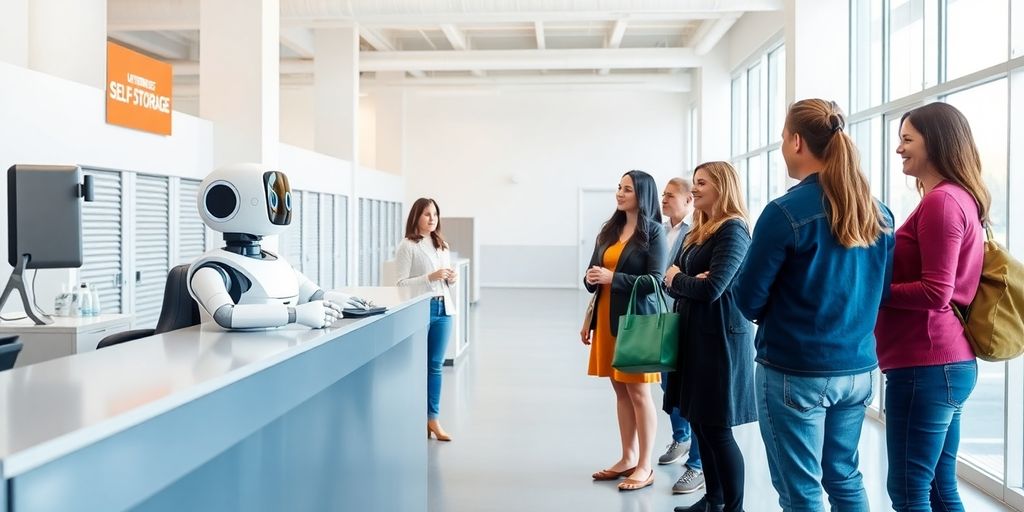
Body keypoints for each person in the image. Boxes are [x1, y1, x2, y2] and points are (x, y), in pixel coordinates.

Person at [734, 99, 895, 512]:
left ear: (797, 141)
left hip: (796, 371)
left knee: (801, 491)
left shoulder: (783, 213)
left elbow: (747, 298)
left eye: (782, 138)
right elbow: (880, 292)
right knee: (845, 477)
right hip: (859, 370)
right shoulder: (878, 213)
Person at [875, 102, 988, 512]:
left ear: (935, 142)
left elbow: (937, 291)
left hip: (927, 365)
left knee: (909, 493)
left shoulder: (943, 202)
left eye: (907, 139)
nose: (899, 149)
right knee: (940, 489)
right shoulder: (956, 198)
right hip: (941, 364)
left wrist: (875, 293)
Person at [663, 162, 755, 512]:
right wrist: (684, 280)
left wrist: (680, 279)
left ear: (722, 187)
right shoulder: (700, 230)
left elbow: (712, 288)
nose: (694, 189)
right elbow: (668, 278)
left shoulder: (733, 229)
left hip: (719, 341)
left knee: (717, 429)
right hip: (695, 336)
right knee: (701, 424)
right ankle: (712, 500)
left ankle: (733, 507)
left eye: (701, 183)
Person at [188, 163, 361, 330]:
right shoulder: (211, 269)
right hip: (230, 348)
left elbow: (310, 294)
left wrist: (331, 299)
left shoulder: (275, 261)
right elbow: (226, 315)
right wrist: (295, 315)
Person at [581, 170, 667, 491]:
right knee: (620, 390)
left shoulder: (653, 232)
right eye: (619, 187)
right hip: (607, 317)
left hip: (638, 322)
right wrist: (592, 278)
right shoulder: (609, 230)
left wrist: (612, 278)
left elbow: (655, 282)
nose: (620, 193)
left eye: (627, 189)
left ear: (642, 195)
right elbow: (594, 273)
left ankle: (645, 465)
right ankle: (628, 457)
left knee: (639, 393)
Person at [395, 197, 459, 442]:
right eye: (427, 214)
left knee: (435, 366)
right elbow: (400, 284)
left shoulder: (442, 245)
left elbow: (447, 281)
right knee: (415, 366)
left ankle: (433, 419)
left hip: (444, 310)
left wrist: (451, 278)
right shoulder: (408, 246)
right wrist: (430, 277)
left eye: (435, 214)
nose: (432, 219)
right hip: (422, 309)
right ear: (416, 217)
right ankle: (414, 417)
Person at [658, 177, 705, 495]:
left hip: (688, 317)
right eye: (663, 194)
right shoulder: (660, 231)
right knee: (668, 384)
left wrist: (675, 279)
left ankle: (697, 465)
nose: (664, 199)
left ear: (689, 200)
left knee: (695, 393)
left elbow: (692, 278)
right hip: (663, 317)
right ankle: (681, 437)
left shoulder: (697, 231)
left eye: (670, 195)